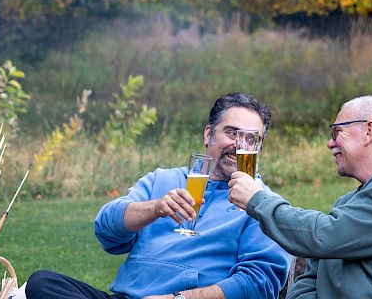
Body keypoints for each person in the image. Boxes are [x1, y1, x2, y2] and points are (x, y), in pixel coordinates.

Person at [26, 93, 289, 299]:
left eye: (250, 139)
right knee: (42, 283)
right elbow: (106, 231)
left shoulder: (262, 203)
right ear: (209, 134)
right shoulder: (162, 180)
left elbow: (259, 284)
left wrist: (178, 298)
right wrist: (155, 208)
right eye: (231, 133)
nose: (238, 145)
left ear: (259, 148)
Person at [227, 96, 372, 299]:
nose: (330, 143)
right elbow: (310, 280)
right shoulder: (347, 204)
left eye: (337, 132)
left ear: (369, 131)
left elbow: (322, 235)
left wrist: (258, 200)